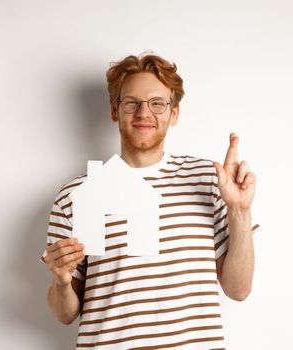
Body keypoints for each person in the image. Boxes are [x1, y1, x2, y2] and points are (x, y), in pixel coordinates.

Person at [40, 53, 259, 349]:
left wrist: (239, 210)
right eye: (131, 102)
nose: (144, 112)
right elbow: (64, 314)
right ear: (115, 111)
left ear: (174, 113)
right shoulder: (76, 195)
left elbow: (238, 289)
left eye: (157, 103)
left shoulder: (209, 180)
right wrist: (62, 280)